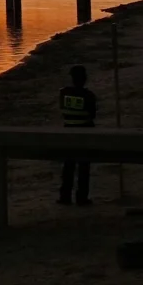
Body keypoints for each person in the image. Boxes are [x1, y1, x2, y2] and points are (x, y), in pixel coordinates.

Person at [58, 63, 97, 204]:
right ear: (85, 78)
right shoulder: (89, 96)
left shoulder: (63, 93)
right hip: (85, 132)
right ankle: (82, 197)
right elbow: (92, 115)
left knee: (68, 166)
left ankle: (65, 196)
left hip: (68, 131)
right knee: (83, 167)